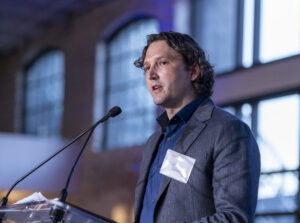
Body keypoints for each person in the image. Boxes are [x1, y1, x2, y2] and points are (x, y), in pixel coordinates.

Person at [133, 31, 260, 223]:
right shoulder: (153, 142)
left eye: (162, 63)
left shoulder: (228, 131)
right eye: (147, 67)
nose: (151, 75)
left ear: (193, 71)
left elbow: (234, 218)